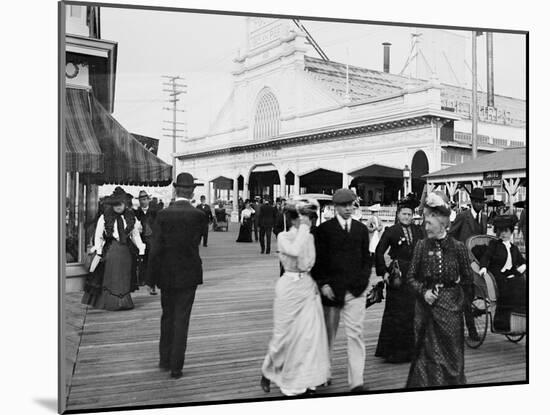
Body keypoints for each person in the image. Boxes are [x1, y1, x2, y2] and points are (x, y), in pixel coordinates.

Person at [260, 197, 330, 396]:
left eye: (310, 218)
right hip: (288, 287)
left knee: (308, 336)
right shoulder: (283, 237)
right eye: (305, 217)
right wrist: (304, 231)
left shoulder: (309, 237)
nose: (309, 221)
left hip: (307, 287)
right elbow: (294, 251)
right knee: (283, 336)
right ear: (294, 218)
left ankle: (304, 382)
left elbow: (308, 263)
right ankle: (268, 371)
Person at [406, 191, 474, 388]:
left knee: (452, 355)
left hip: (451, 310)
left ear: (442, 223)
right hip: (425, 309)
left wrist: (459, 302)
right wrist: (423, 292)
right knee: (428, 357)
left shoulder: (458, 247)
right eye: (425, 222)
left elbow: (468, 280)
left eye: (429, 223)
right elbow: (410, 277)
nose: (425, 227)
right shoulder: (421, 245)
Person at [146, 172, 207, 379]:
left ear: (175, 189)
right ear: (192, 192)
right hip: (189, 273)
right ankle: (176, 367)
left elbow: (154, 250)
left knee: (167, 316)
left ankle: (164, 360)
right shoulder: (199, 216)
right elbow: (196, 242)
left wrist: (150, 279)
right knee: (182, 318)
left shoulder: (162, 215)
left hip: (166, 273)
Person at [312, 188, 372, 392]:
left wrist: (362, 284)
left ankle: (357, 381)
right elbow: (317, 262)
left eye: (351, 205)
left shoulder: (361, 230)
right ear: (335, 207)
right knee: (328, 335)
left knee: (356, 334)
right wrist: (323, 284)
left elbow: (367, 260)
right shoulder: (323, 230)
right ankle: (323, 374)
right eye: (343, 205)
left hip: (356, 291)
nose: (348, 209)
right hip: (331, 291)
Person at [374, 194, 424, 363]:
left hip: (414, 275)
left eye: (409, 214)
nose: (407, 217)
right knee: (396, 313)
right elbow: (379, 252)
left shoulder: (418, 231)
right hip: (397, 276)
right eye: (404, 214)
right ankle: (392, 352)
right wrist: (384, 272)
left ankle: (410, 352)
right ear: (398, 215)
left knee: (412, 312)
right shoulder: (391, 231)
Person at [82, 186, 146, 311]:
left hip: (126, 251)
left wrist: (141, 248)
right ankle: (111, 302)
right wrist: (99, 250)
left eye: (120, 204)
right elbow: (98, 235)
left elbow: (135, 235)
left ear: (125, 204)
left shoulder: (130, 217)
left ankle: (124, 302)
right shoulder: (104, 217)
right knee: (111, 275)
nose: (118, 206)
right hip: (111, 249)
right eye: (115, 204)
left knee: (124, 275)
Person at [449, 187, 487, 341]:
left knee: (473, 296)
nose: (479, 205)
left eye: (481, 202)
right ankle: (471, 330)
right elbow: (451, 235)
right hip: (463, 262)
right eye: (477, 202)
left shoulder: (483, 218)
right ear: (472, 202)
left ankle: (472, 316)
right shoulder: (462, 216)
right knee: (466, 297)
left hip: (477, 262)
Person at [478, 215, 526, 332]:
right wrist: (483, 267)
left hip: (511, 273)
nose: (503, 234)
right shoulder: (494, 245)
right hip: (497, 274)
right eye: (500, 231)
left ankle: (519, 320)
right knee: (509, 286)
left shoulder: (514, 248)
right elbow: (486, 256)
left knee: (522, 283)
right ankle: (502, 323)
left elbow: (521, 261)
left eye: (506, 231)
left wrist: (523, 266)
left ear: (511, 232)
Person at [135, 190, 158, 295]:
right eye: (141, 200)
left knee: (152, 261)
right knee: (142, 261)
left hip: (152, 240)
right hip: (140, 240)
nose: (143, 202)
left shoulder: (155, 212)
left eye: (144, 199)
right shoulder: (136, 213)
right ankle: (142, 280)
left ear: (148, 200)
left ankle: (152, 284)